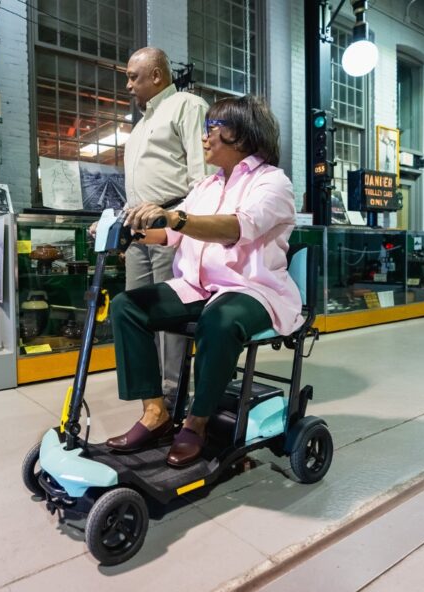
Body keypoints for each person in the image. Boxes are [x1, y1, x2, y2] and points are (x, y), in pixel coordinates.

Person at [105, 95, 304, 467]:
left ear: (242, 135)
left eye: (213, 127)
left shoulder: (273, 182)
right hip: (198, 287)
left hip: (253, 290)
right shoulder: (207, 186)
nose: (205, 136)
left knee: (220, 320)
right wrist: (131, 233)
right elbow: (172, 236)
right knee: (127, 306)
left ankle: (196, 423)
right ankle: (155, 412)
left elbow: (238, 227)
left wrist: (176, 218)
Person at [121, 46, 210, 409]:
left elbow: (202, 178)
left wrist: (186, 222)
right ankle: (149, 397)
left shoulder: (188, 106)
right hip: (137, 229)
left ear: (157, 75)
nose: (127, 85)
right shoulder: (140, 126)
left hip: (172, 221)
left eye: (132, 76)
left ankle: (174, 391)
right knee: (133, 308)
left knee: (171, 312)